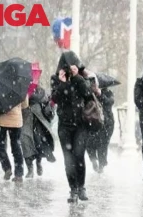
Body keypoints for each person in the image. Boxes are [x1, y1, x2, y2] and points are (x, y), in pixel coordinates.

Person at [51, 50, 94, 203]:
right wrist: (62, 83)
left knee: (79, 155)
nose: (70, 68)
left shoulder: (83, 78)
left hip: (81, 124)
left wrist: (77, 77)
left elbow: (88, 94)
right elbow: (54, 98)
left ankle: (81, 187)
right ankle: (73, 189)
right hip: (64, 126)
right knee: (68, 159)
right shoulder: (56, 79)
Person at [21, 85, 56, 178]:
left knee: (38, 143)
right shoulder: (20, 90)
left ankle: (38, 162)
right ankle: (30, 169)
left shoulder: (40, 91)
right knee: (25, 143)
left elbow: (48, 107)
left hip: (38, 122)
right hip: (25, 121)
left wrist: (50, 105)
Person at [0, 96, 29, 183]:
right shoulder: (20, 84)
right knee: (16, 146)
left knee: (0, 145)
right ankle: (19, 174)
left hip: (0, 119)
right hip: (16, 120)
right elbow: (25, 104)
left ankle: (7, 168)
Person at [86, 86, 115, 173]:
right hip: (93, 122)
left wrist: (101, 94)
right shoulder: (89, 93)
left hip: (106, 122)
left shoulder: (108, 92)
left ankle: (101, 165)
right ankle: (94, 159)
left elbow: (110, 102)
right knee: (89, 143)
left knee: (103, 144)